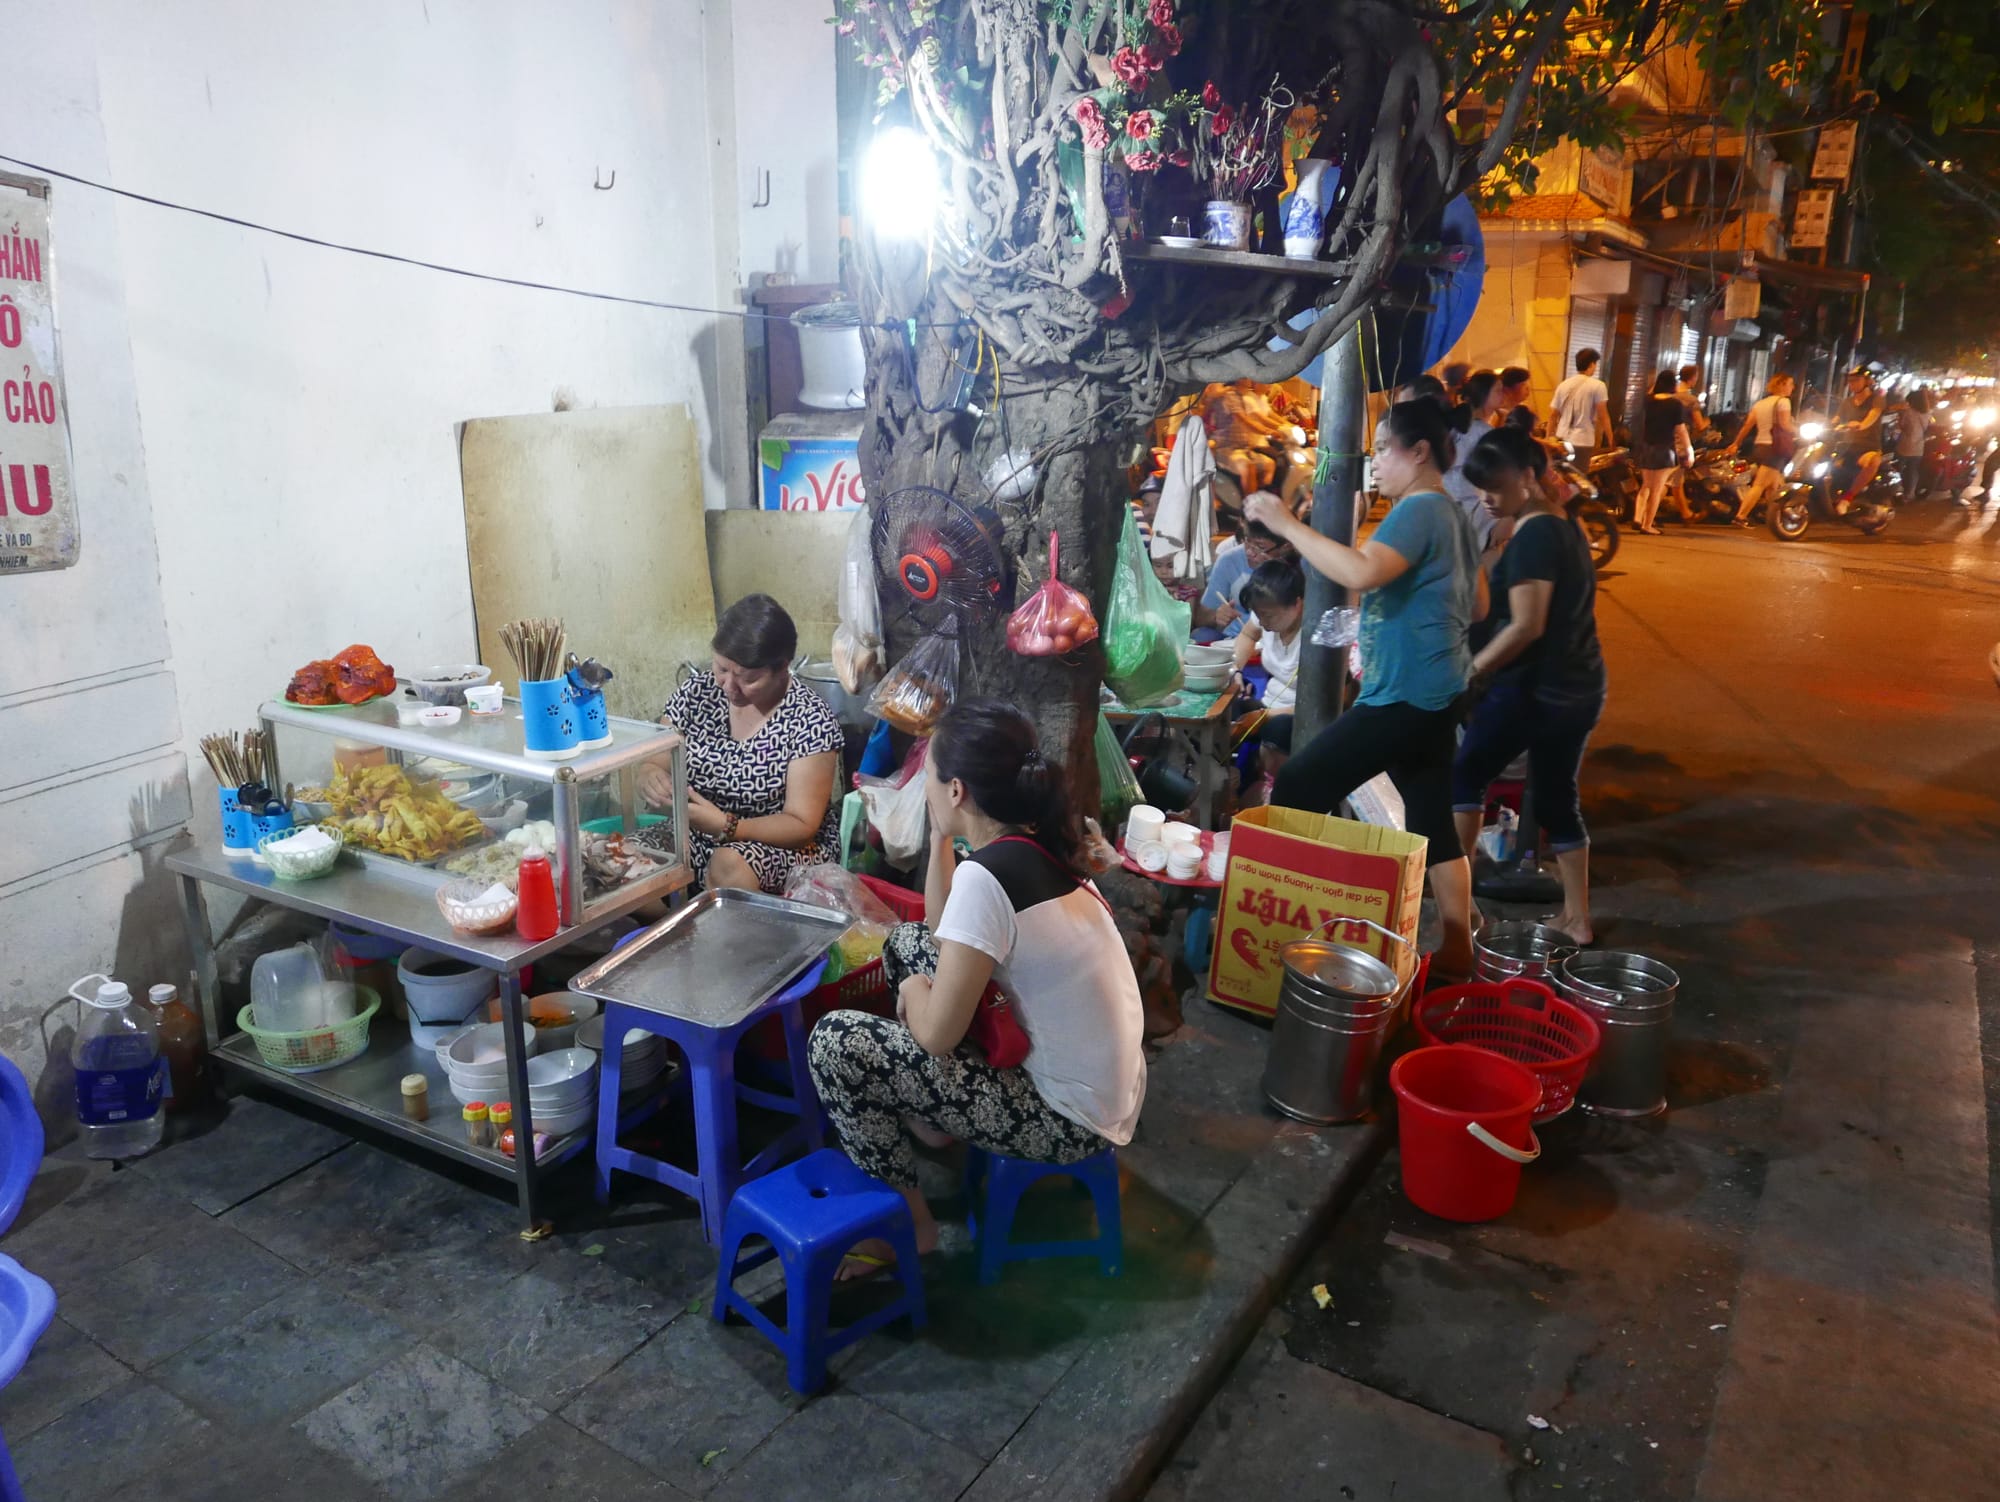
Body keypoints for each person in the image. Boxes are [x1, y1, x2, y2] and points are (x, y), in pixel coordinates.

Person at [807, 700, 1146, 1274]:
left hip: (1064, 1119)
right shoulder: (1034, 842)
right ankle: (936, 1125)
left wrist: (914, 992)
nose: (923, 784)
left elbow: (937, 1036)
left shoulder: (987, 878)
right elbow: (945, 935)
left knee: (835, 1043)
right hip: (1108, 1091)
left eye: (928, 774)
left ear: (957, 789)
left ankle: (908, 1227)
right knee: (906, 941)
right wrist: (940, 835)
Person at [1244, 400, 1488, 980]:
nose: (1374, 462)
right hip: (1441, 688)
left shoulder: (1418, 508)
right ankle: (1459, 950)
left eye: (1382, 449)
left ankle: (1301, 932)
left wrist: (1285, 523)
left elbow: (1359, 573)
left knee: (1301, 781)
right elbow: (1476, 604)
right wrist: (1393, 614)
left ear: (1418, 452)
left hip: (1404, 694)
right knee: (1431, 818)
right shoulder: (1452, 513)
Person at [1452, 427, 1606, 945]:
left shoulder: (1537, 534)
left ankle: (1460, 906)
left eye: (1494, 487)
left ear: (1527, 476)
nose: (1485, 498)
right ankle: (1576, 919)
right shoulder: (1561, 524)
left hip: (1536, 689)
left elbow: (1525, 624)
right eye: (1479, 488)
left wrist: (1472, 671)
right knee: (1558, 795)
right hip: (1578, 682)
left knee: (1465, 776)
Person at [637, 594, 841, 893]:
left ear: (782, 667)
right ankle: (681, 931)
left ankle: (737, 935)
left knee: (729, 864)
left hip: (778, 848)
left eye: (748, 678)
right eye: (721, 669)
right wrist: (649, 774)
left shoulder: (810, 720)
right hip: (698, 835)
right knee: (624, 858)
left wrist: (728, 826)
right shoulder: (698, 692)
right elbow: (656, 757)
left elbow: (801, 824)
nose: (729, 687)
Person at [1195, 511, 1295, 639]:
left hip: (1279, 638)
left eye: (1260, 547)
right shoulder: (1230, 560)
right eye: (1247, 541)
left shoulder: (1297, 567)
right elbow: (1202, 617)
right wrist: (1217, 615)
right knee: (1202, 635)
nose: (1249, 552)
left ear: (1285, 547)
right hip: (1236, 637)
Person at [1230, 558, 1306, 715]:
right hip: (1266, 706)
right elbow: (1248, 634)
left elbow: (1316, 708)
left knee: (1279, 728)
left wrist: (1263, 717)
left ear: (1297, 605)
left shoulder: (1313, 636)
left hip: (1295, 716)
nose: (1262, 623)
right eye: (1258, 615)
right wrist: (1236, 670)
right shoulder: (1264, 613)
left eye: (1269, 616)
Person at [1443, 370, 1508, 548]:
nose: (1503, 394)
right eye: (1498, 390)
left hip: (1451, 503)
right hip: (1467, 506)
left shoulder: (1459, 424)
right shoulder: (1481, 431)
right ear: (1483, 394)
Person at [1728, 373, 1797, 525]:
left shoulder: (1760, 404)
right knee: (1760, 485)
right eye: (1790, 384)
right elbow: (1785, 425)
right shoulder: (1783, 402)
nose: (1793, 387)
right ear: (1781, 384)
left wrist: (1736, 443)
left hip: (1760, 447)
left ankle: (1777, 518)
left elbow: (1747, 426)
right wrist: (1798, 431)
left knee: (1774, 485)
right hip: (1775, 447)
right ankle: (1741, 516)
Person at [1632, 371, 1694, 535]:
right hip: (1664, 449)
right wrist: (1689, 450)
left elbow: (1651, 392)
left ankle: (1637, 517)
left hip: (1646, 447)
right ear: (1673, 384)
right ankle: (1647, 525)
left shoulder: (1648, 401)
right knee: (1657, 489)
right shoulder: (1675, 404)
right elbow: (1681, 430)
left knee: (1645, 485)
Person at [1829, 367, 1887, 509]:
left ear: (1867, 381)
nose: (1852, 384)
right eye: (1850, 381)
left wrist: (1860, 425)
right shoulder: (1847, 402)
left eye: (1856, 380)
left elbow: (1872, 416)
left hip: (1867, 447)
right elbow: (1835, 420)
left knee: (1872, 462)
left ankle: (1847, 498)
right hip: (1845, 446)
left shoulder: (1876, 400)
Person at [1549, 348, 1613, 463]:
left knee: (1563, 474)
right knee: (1579, 476)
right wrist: (1610, 438)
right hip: (1582, 441)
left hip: (1561, 440)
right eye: (1595, 364)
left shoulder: (1563, 385)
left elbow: (1553, 415)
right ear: (1592, 364)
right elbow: (1603, 415)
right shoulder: (1598, 386)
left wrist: (1548, 439)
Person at [1889, 385, 1930, 497]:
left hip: (1905, 445)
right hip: (1919, 447)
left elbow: (1902, 426)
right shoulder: (1927, 413)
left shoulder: (1908, 412)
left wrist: (1899, 420)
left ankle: (1896, 491)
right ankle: (1909, 494)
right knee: (1913, 470)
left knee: (1898, 468)